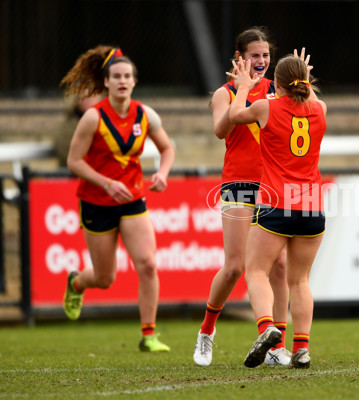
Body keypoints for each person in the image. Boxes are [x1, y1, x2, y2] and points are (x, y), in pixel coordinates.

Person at [60, 45, 175, 352]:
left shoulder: (146, 114)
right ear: (107, 82)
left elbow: (167, 148)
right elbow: (74, 161)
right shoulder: (92, 118)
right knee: (105, 277)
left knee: (148, 264)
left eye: (127, 76)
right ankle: (77, 283)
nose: (122, 81)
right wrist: (106, 183)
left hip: (133, 199)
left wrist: (162, 173)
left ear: (134, 81)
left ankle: (149, 335)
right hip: (97, 201)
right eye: (116, 76)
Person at [193, 27, 290, 367]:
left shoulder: (278, 89)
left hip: (273, 185)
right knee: (235, 266)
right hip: (238, 183)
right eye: (254, 55)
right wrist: (243, 90)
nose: (261, 61)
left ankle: (276, 344)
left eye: (265, 55)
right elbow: (222, 129)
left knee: (278, 266)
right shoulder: (224, 92)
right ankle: (206, 332)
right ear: (239, 58)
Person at [228, 49, 326, 369]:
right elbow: (305, 96)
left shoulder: (265, 106)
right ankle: (302, 349)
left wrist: (243, 85)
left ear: (277, 85)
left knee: (256, 271)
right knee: (300, 281)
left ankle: (267, 326)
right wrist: (303, 78)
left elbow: (232, 118)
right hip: (312, 203)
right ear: (306, 81)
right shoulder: (320, 108)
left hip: (276, 201)